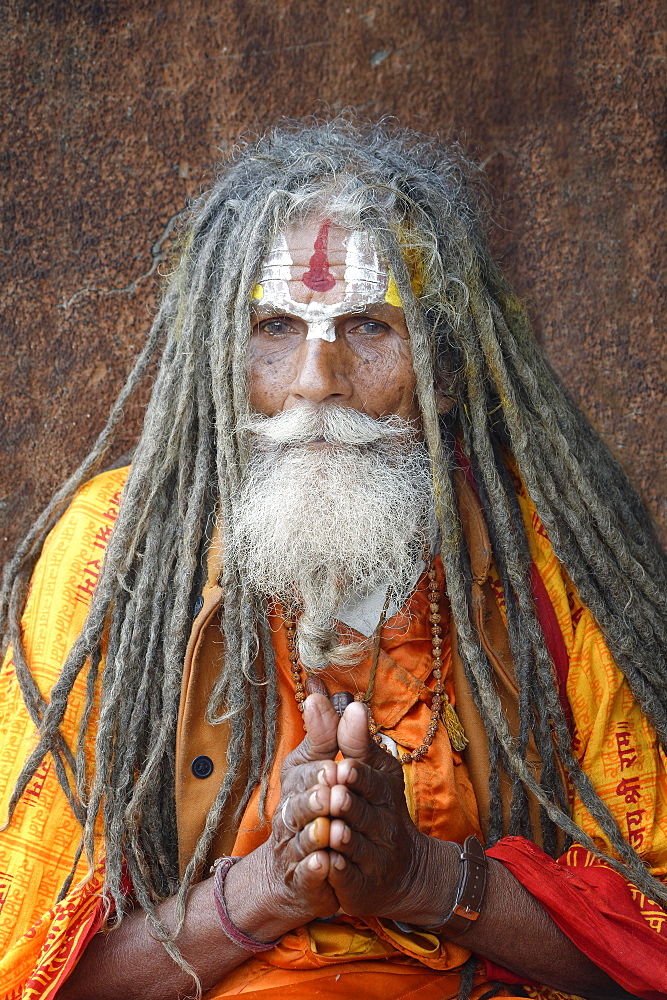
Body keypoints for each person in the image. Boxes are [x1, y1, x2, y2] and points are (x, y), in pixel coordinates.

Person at [0, 120, 665, 1000]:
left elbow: (646, 936)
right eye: (273, 325)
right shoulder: (111, 544)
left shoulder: (549, 548)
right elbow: (28, 966)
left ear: (447, 360)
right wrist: (270, 886)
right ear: (216, 356)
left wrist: (418, 879)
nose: (318, 378)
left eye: (366, 325)